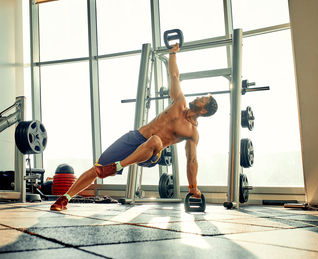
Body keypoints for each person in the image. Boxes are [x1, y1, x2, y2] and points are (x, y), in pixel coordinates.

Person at [50, 43, 218, 211]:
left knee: (155, 140)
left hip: (153, 153)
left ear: (203, 110)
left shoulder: (192, 133)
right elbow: (174, 75)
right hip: (136, 137)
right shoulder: (179, 101)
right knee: (97, 169)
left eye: (202, 99)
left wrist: (192, 188)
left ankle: (118, 166)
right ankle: (63, 200)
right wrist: (173, 54)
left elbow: (192, 161)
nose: (198, 97)